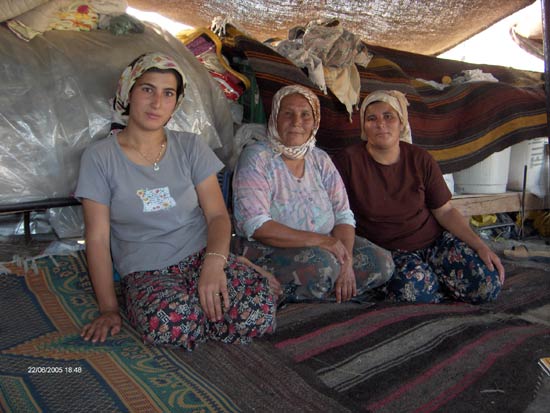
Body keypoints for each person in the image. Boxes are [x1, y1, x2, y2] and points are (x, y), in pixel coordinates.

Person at [75, 52, 276, 350]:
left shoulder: (190, 146)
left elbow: (217, 216)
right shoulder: (100, 157)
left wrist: (214, 264)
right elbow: (97, 239)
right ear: (128, 92)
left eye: (168, 93)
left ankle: (206, 308)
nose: (157, 103)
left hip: (201, 255)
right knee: (173, 321)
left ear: (176, 102)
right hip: (147, 269)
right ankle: (196, 313)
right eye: (147, 89)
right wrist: (108, 309)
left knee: (259, 309)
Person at [333, 89, 505, 304]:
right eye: (371, 118)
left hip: (435, 243)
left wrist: (480, 245)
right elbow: (339, 214)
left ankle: (436, 283)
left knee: (487, 284)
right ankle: (434, 285)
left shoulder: (420, 158)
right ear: (363, 127)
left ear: (401, 123)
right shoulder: (348, 161)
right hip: (391, 252)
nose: (380, 124)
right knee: (415, 293)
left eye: (388, 116)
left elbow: (445, 211)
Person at [231, 84, 394, 304]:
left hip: (325, 244)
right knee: (323, 267)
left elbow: (343, 215)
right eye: (288, 113)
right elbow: (257, 225)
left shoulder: (320, 159)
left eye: (305, 115)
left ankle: (324, 292)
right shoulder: (256, 158)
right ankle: (314, 292)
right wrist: (322, 242)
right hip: (270, 247)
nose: (296, 122)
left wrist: (346, 261)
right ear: (275, 118)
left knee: (382, 263)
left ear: (315, 121)